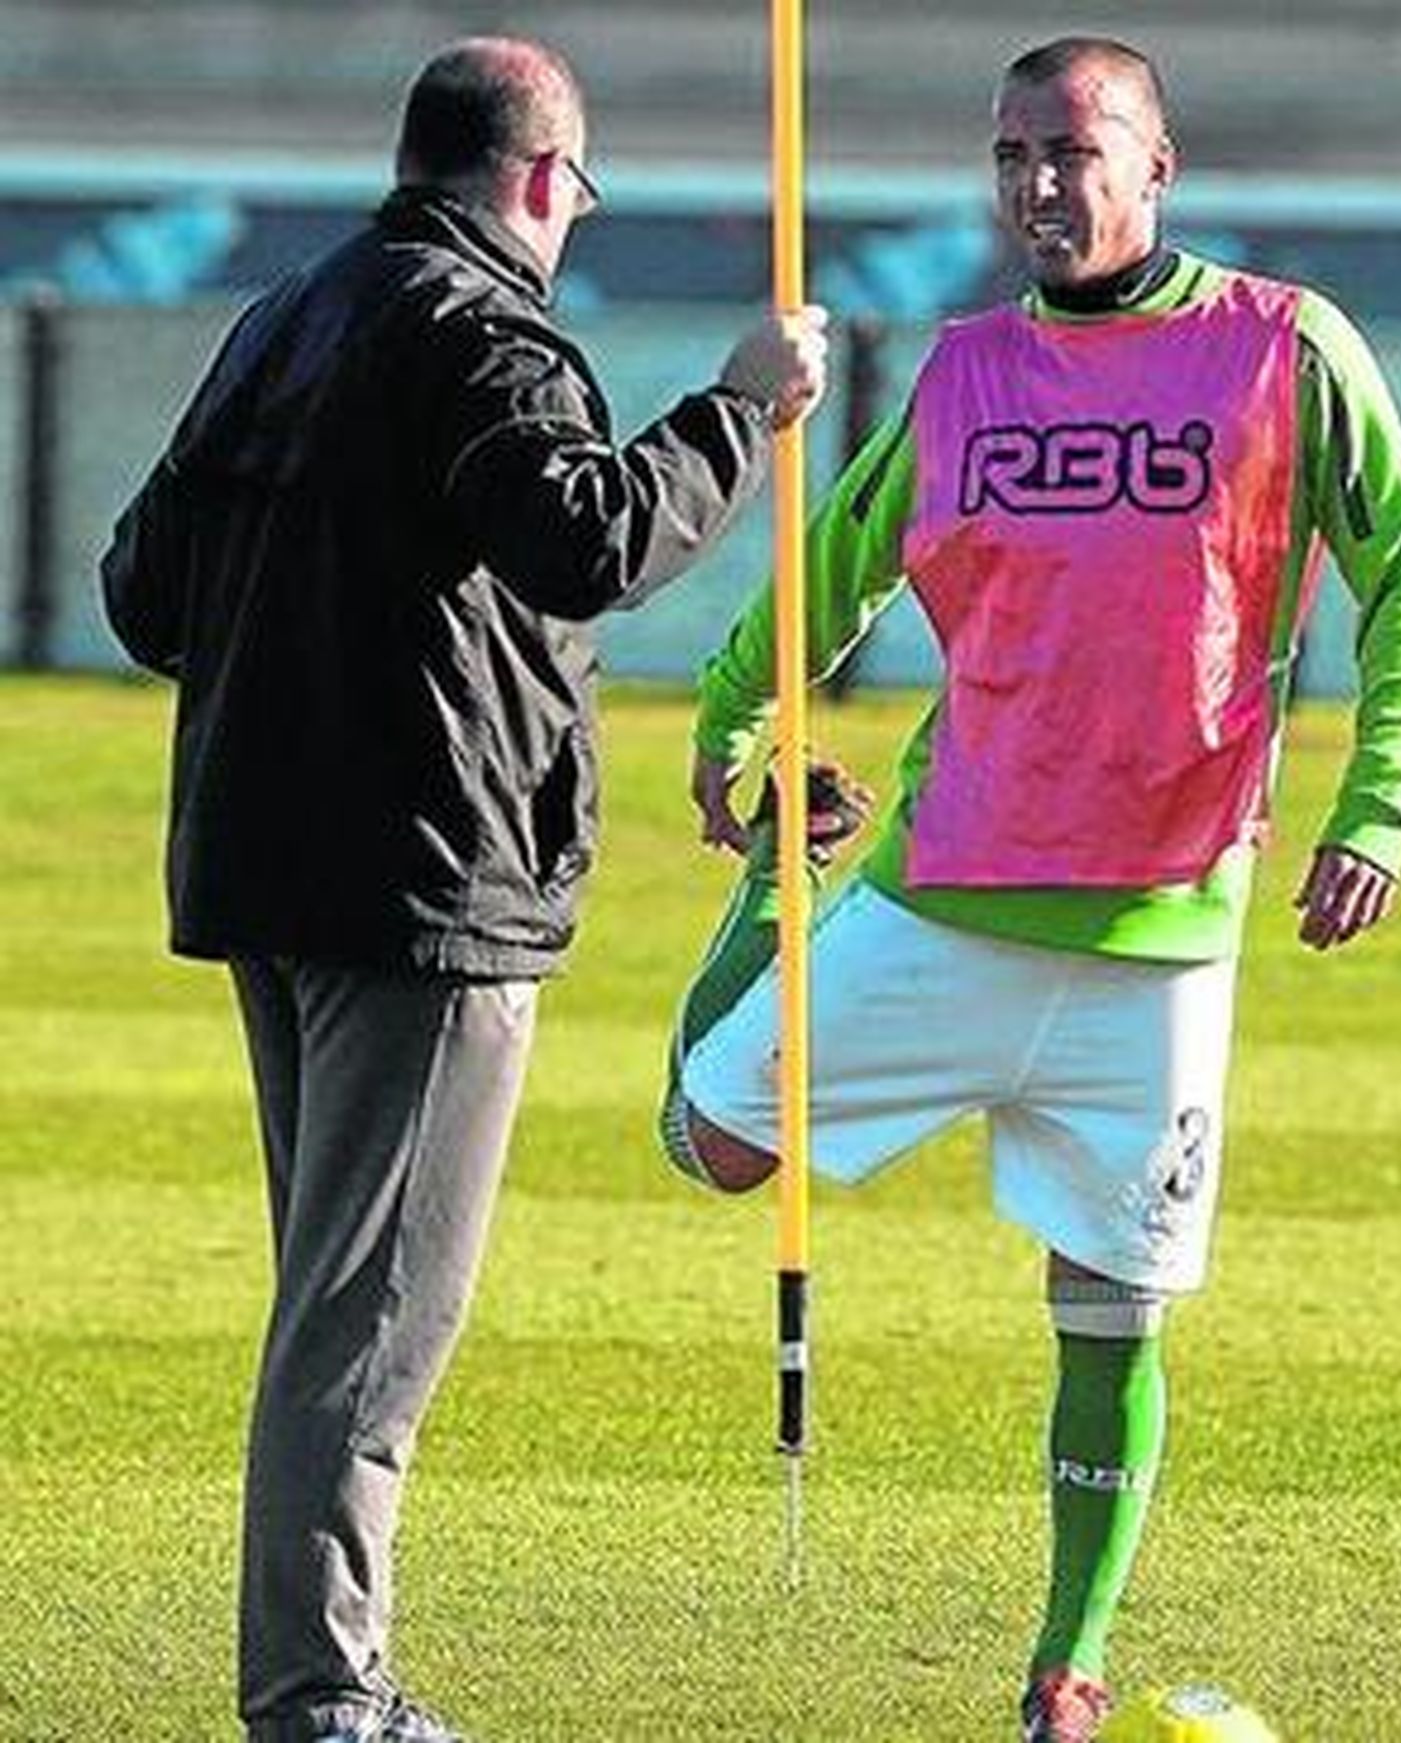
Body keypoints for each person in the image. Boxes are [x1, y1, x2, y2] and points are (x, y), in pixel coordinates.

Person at [658, 35, 1401, 1743]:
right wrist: (736, 718)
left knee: (1110, 1313)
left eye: (1076, 152)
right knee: (707, 1143)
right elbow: (836, 569)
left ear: (1156, 166)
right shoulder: (959, 372)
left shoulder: (1284, 350)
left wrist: (1380, 809)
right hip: (943, 897)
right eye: (1013, 153)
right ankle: (773, 909)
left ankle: (1064, 1672)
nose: (1040, 183)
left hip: (1161, 940)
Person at [101, 34, 826, 1743]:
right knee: (368, 1323)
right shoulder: (487, 329)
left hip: (263, 870)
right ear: (538, 179)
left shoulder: (284, 317)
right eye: (576, 193)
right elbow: (589, 541)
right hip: (420, 887)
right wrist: (741, 407)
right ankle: (320, 1693)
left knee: (334, 1294)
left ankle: (320, 1680)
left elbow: (144, 596)